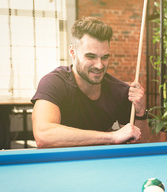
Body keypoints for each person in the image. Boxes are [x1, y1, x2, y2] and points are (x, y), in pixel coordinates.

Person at [31, 17, 147, 148]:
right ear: (72, 52)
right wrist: (111, 137)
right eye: (91, 57)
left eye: (105, 57)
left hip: (102, 164)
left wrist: (140, 113)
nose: (99, 65)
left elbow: (139, 144)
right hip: (59, 164)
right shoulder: (54, 83)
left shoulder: (119, 90)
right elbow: (43, 136)